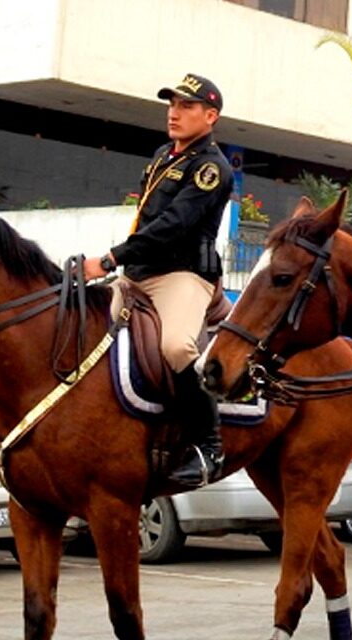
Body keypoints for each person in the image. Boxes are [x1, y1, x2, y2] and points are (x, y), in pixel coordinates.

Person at [83, 73, 234, 489]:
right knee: (84, 325)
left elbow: (173, 225)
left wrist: (111, 258)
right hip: (138, 274)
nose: (174, 112)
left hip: (182, 276)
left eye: (186, 106)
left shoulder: (211, 168)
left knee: (176, 345)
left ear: (210, 116)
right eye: (172, 104)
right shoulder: (163, 156)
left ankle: (208, 445)